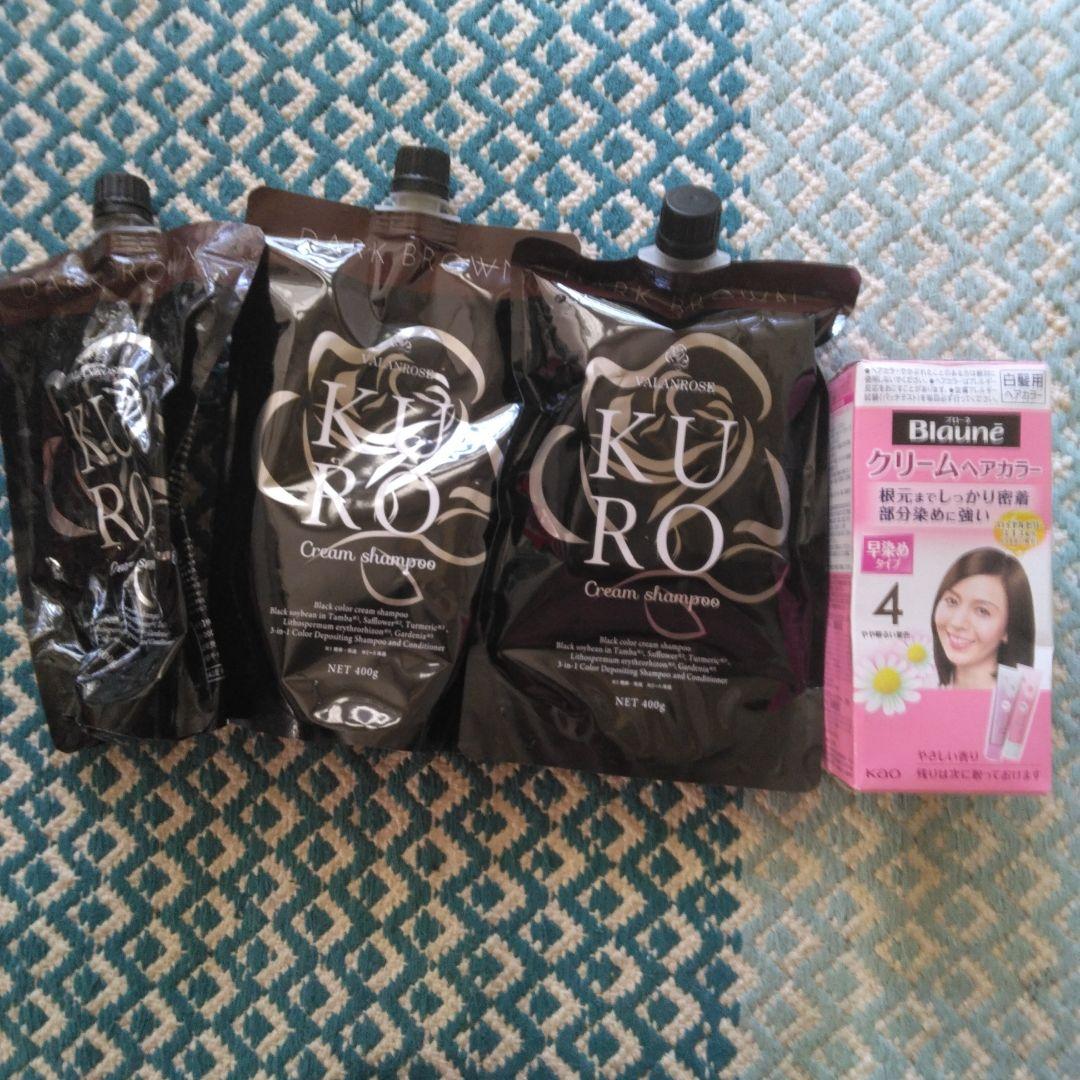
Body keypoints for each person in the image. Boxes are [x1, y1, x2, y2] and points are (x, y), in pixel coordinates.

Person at [931, 547, 1035, 689]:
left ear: (1009, 628)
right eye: (952, 601)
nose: (957, 622)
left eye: (982, 611)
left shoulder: (1017, 699)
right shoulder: (923, 686)